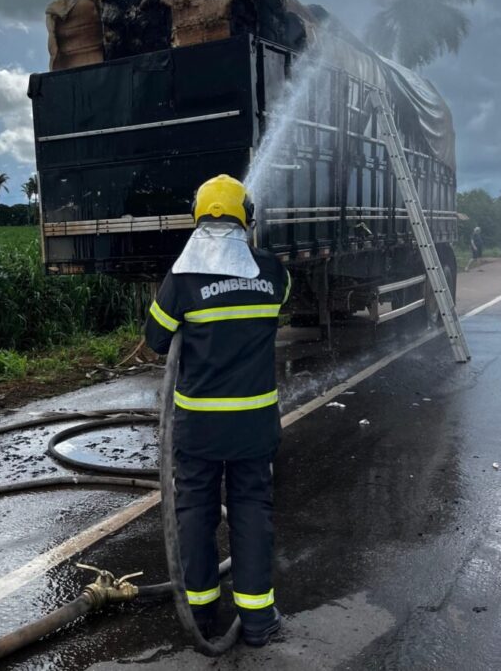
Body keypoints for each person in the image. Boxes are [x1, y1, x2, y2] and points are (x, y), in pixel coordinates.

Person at [144, 174, 290, 647]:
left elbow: (155, 338)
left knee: (195, 511)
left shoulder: (182, 280)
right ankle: (258, 621)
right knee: (251, 508)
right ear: (246, 217)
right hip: (253, 425)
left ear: (197, 216)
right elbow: (280, 300)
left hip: (199, 427)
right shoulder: (271, 274)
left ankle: (201, 614)